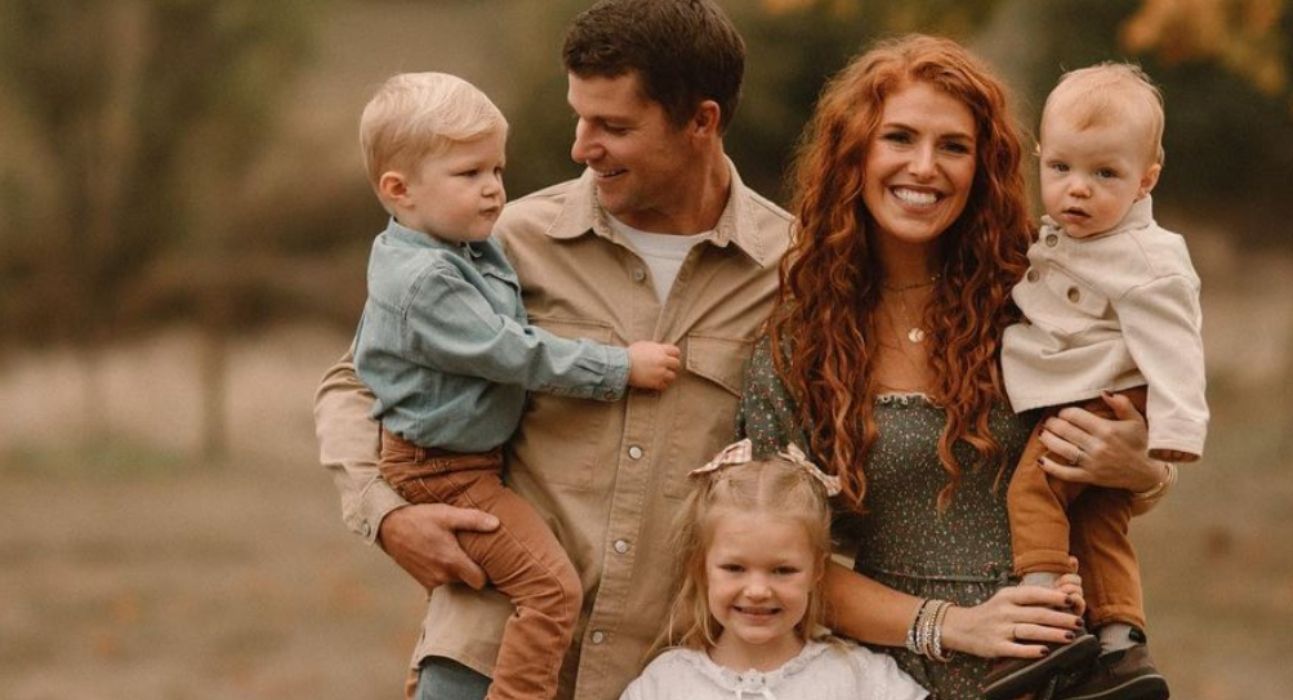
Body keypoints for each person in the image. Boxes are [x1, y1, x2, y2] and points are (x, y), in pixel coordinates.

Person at [313, 1, 792, 698]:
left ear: (702, 122)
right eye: (579, 116)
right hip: (484, 659)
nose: (580, 146)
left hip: (666, 677)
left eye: (613, 126)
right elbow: (355, 385)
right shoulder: (499, 241)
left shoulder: (790, 268)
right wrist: (385, 515)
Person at [736, 35, 1176, 699]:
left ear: (985, 166)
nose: (924, 167)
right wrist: (952, 625)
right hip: (885, 671)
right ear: (854, 153)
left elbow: (1129, 443)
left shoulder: (1045, 297)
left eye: (953, 146)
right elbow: (773, 562)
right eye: (899, 139)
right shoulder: (801, 344)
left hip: (1063, 664)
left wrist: (1144, 471)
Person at [351, 71, 683, 700]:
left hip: (464, 461)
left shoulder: (466, 249)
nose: (493, 190)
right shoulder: (427, 280)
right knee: (552, 591)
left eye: (497, 171)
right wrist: (619, 368)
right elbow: (512, 352)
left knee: (508, 579)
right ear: (399, 190)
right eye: (469, 174)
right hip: (445, 469)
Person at [985, 62, 1206, 700]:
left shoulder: (1146, 259)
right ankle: (1121, 644)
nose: (1077, 191)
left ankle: (1046, 614)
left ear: (1146, 180)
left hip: (1099, 402)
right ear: (1039, 161)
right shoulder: (1069, 234)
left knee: (1034, 494)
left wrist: (1175, 432)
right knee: (1101, 522)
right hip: (1096, 391)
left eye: (1104, 174)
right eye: (1060, 170)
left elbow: (1177, 348)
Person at [621, 439, 928, 700]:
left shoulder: (861, 680)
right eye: (734, 568)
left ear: (817, 571)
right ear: (701, 567)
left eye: (782, 571)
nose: (757, 591)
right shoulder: (664, 685)